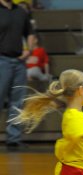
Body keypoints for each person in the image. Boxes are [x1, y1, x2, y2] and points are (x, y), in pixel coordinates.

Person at [0, 0, 34, 148]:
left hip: (19, 62)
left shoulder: (21, 11)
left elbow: (30, 33)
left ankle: (13, 139)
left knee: (18, 102)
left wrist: (29, 49)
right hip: (1, 60)